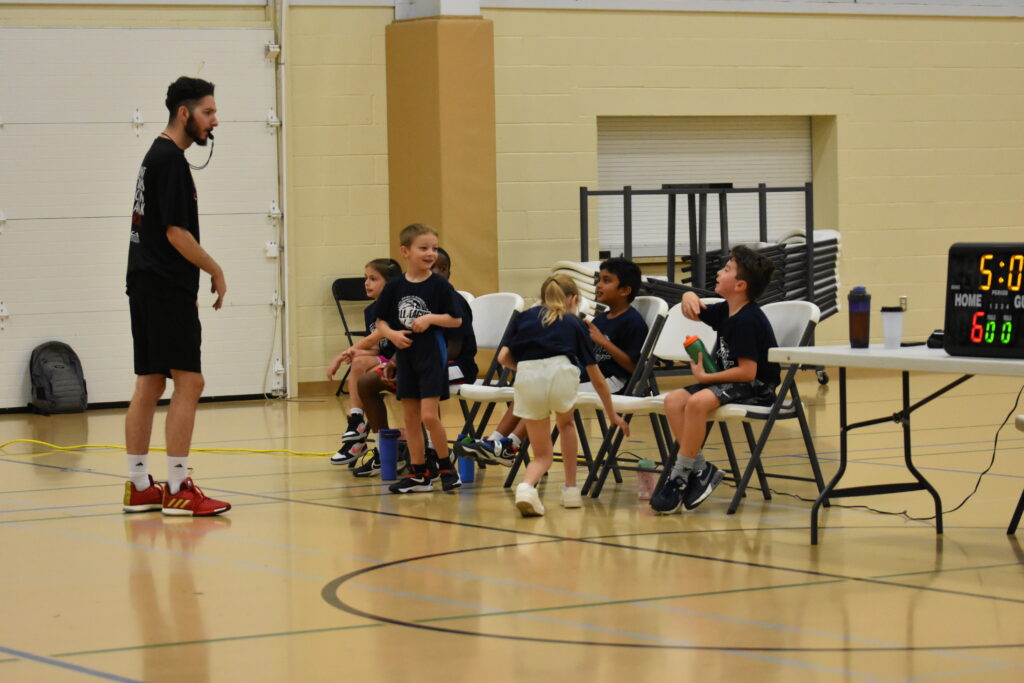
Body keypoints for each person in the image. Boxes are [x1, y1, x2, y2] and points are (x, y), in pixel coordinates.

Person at [121, 76, 230, 517]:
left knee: (150, 382)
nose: (214, 121)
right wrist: (215, 270)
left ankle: (139, 485)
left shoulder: (156, 156)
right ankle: (179, 486)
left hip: (147, 281)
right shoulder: (171, 161)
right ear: (184, 114)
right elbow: (175, 232)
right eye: (208, 112)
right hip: (163, 284)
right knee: (190, 381)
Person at [458, 257, 647, 466]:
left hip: (614, 381)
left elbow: (634, 367)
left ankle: (510, 444)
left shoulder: (633, 321)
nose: (598, 285)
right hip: (588, 376)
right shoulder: (601, 319)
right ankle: (495, 443)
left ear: (625, 290)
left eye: (606, 280)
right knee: (529, 390)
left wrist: (603, 342)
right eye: (599, 279)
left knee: (546, 390)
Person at [650, 245, 780, 515]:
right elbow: (692, 311)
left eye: (727, 269)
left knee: (697, 403)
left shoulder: (748, 319)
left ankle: (680, 475)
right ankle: (701, 468)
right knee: (674, 401)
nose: (719, 272)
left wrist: (707, 377)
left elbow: (748, 373)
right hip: (729, 382)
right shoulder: (725, 310)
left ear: (740, 285)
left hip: (757, 388)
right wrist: (687, 293)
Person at [499, 274, 629, 517]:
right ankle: (570, 490)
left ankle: (526, 487)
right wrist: (613, 415)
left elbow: (503, 359)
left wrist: (530, 370)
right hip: (561, 372)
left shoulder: (523, 317)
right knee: (566, 423)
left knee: (542, 455)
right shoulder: (575, 323)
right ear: (574, 299)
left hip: (527, 375)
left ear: (542, 297)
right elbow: (597, 378)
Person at [346, 247, 478, 478]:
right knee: (367, 382)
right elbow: (410, 338)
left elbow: (453, 348)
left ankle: (431, 454)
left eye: (434, 267)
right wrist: (397, 360)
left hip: (456, 363)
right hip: (422, 360)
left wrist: (414, 365)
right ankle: (387, 450)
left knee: (423, 382)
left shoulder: (452, 300)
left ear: (445, 271)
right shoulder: (415, 299)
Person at [376, 224, 464, 493]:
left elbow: (456, 319)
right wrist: (392, 335)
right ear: (405, 251)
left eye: (434, 248)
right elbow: (380, 322)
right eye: (424, 248)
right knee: (410, 417)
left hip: (430, 356)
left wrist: (429, 318)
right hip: (406, 358)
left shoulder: (439, 285)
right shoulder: (395, 287)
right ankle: (419, 473)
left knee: (429, 416)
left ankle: (447, 467)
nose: (431, 254)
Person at [326, 258, 402, 465]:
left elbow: (378, 335)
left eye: (373, 279)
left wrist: (344, 353)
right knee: (358, 362)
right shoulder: (370, 310)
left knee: (363, 370)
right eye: (365, 278)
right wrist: (356, 353)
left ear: (391, 283)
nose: (366, 283)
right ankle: (356, 422)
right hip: (387, 356)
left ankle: (370, 444)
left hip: (403, 359)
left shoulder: (397, 306)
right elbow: (378, 345)